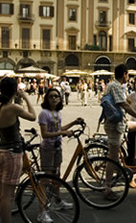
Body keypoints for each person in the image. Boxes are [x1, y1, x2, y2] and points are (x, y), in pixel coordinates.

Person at [0, 77, 36, 223]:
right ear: (15, 91)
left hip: (1, 150)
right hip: (12, 152)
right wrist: (26, 98)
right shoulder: (13, 108)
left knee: (2, 190)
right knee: (8, 196)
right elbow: (33, 116)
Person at [104, 64, 136, 200]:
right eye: (128, 75)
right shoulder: (116, 86)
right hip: (115, 126)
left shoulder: (114, 86)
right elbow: (124, 104)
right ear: (124, 74)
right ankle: (107, 188)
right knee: (113, 158)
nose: (129, 77)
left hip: (118, 122)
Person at [38, 88, 81, 222]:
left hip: (57, 148)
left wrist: (73, 123)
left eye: (57, 96)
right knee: (45, 180)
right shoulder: (44, 114)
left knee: (57, 176)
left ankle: (57, 201)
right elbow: (45, 134)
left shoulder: (57, 112)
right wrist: (62, 134)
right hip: (48, 149)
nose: (54, 98)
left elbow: (58, 129)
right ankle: (41, 212)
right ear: (47, 99)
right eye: (51, 97)